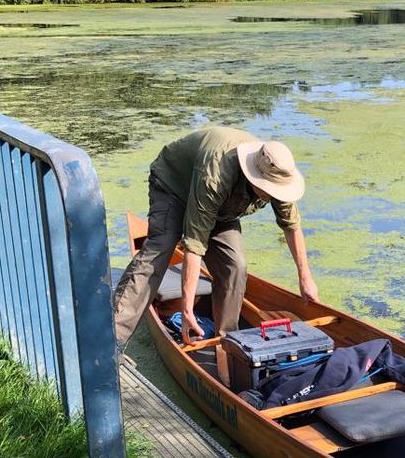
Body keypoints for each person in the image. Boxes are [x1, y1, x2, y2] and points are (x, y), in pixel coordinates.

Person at [113, 126, 318, 348]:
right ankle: (112, 339)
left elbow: (291, 226)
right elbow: (194, 246)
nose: (274, 196)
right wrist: (187, 309)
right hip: (174, 187)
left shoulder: (279, 173)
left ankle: (227, 343)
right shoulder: (216, 173)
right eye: (269, 191)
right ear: (256, 177)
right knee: (159, 252)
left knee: (235, 265)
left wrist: (305, 277)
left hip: (220, 206)